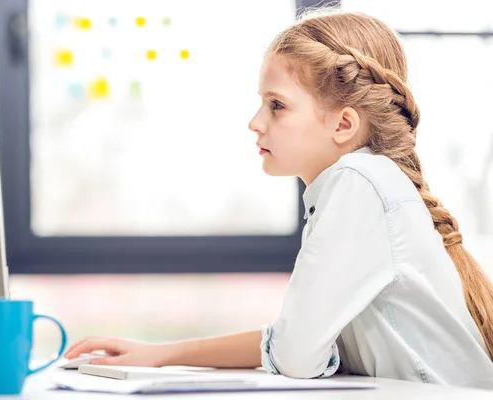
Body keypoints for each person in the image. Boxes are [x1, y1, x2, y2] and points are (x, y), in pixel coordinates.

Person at [64, 10, 493, 388]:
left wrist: (170, 354)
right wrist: (158, 354)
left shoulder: (358, 181)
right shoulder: (362, 186)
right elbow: (293, 340)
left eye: (277, 105)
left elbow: (294, 354)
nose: (255, 122)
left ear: (344, 124)